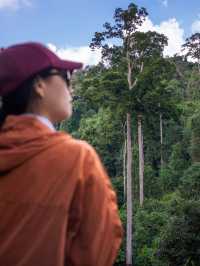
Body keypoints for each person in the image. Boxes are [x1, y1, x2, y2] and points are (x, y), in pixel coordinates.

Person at [0, 42, 123, 266]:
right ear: (39, 85)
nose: (71, 88)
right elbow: (97, 252)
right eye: (66, 76)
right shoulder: (76, 158)